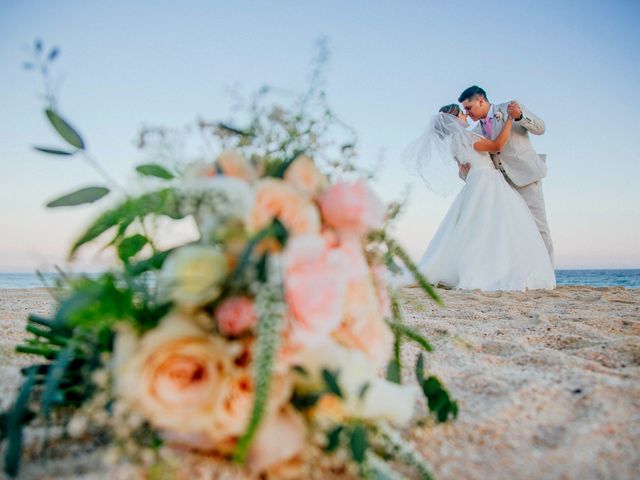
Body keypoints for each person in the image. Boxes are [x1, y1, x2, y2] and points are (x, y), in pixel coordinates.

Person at [404, 108, 555, 291]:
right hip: (487, 180)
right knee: (497, 227)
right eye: (461, 113)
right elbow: (497, 146)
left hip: (474, 183)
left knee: (475, 228)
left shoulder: (455, 144)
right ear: (454, 120)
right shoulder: (469, 137)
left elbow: (464, 169)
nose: (465, 115)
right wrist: (509, 120)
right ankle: (494, 269)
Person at [458, 86, 554, 262]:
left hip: (525, 176)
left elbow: (541, 128)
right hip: (501, 185)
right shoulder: (474, 133)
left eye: (469, 108)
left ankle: (548, 275)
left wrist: (518, 116)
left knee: (538, 226)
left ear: (480, 100)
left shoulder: (509, 108)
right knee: (513, 230)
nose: (467, 113)